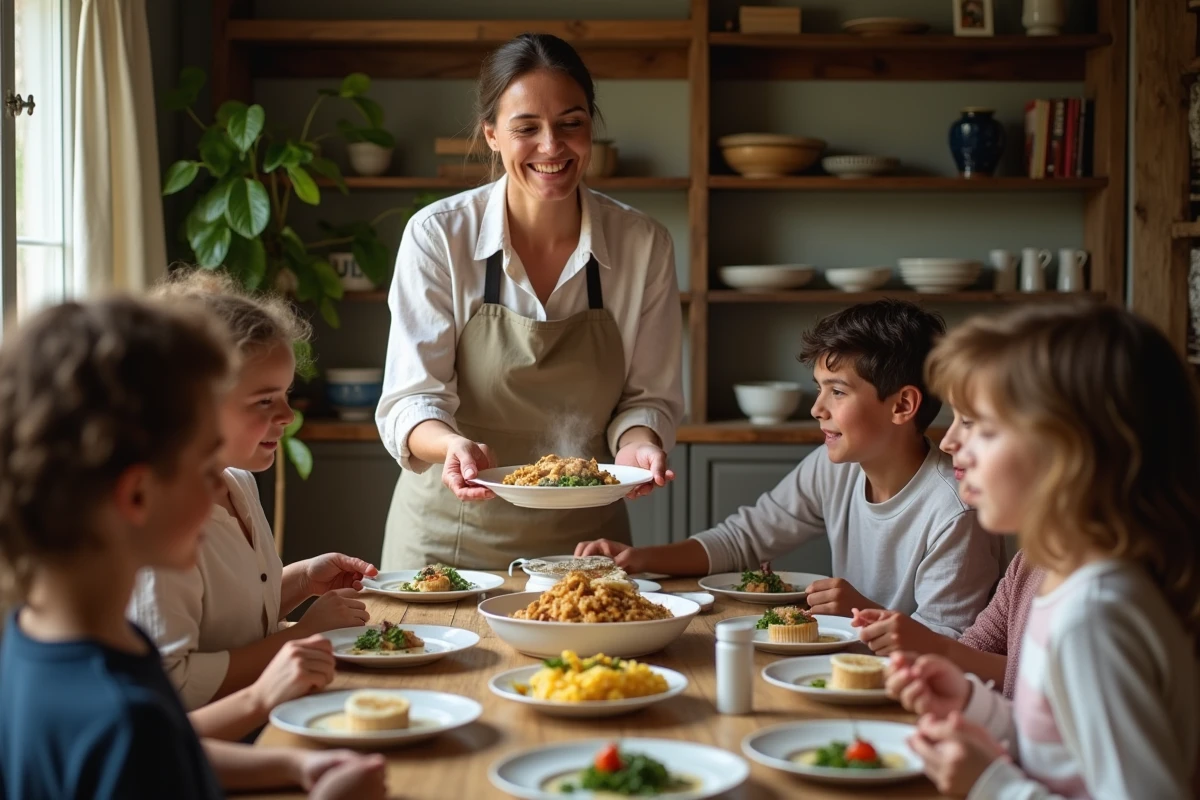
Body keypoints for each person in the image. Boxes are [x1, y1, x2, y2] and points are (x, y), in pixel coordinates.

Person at [0, 296, 385, 799]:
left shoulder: (34, 642)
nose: (219, 491)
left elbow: (170, 749)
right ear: (137, 494)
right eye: (206, 470)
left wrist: (293, 768)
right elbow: (146, 746)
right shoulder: (123, 718)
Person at [375, 32, 685, 570]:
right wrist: (451, 447)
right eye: (527, 128)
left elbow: (645, 398)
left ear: (591, 126)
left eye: (572, 123)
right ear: (491, 134)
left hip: (586, 542)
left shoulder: (643, 244)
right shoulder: (438, 236)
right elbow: (411, 398)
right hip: (448, 541)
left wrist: (639, 446)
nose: (552, 147)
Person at [885, 302, 1199, 798]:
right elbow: (1063, 752)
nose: (954, 446)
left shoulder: (1094, 617)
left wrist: (992, 785)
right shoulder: (1065, 582)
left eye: (985, 429)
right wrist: (973, 703)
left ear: (1071, 454)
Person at [578, 299, 1002, 637]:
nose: (817, 409)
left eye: (837, 392)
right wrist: (640, 558)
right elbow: (745, 539)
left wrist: (863, 611)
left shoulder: (954, 510)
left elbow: (954, 642)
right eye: (820, 389)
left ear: (903, 405)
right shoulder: (834, 467)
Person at [128, 271, 376, 729]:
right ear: (195, 403)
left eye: (285, 395)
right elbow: (175, 683)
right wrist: (302, 635)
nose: (287, 415)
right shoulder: (162, 525)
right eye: (264, 401)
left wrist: (300, 581)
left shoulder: (239, 482)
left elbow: (225, 622)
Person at [851, 387, 1044, 698]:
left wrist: (936, 649)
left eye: (969, 422)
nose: (947, 441)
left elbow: (1044, 702)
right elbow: (976, 651)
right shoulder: (1029, 562)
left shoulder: (1096, 601)